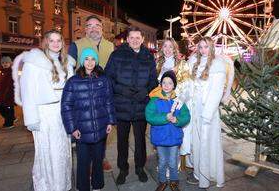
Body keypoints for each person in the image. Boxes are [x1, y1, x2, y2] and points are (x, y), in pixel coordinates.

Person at [13, 30, 75, 191]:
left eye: (58, 40)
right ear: (45, 42)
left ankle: (63, 184)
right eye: (52, 40)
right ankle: (48, 186)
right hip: (45, 114)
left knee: (63, 150)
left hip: (63, 113)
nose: (55, 43)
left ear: (62, 43)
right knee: (48, 152)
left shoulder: (67, 62)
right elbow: (28, 92)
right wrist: (31, 119)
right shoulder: (34, 62)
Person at [104, 26, 158, 184]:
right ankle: (123, 169)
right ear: (127, 39)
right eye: (131, 37)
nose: (134, 40)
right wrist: (121, 90)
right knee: (122, 140)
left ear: (142, 40)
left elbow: (153, 80)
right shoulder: (117, 55)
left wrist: (146, 92)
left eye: (137, 37)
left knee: (141, 139)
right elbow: (109, 78)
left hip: (141, 105)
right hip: (122, 105)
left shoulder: (148, 56)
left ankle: (140, 168)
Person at [61, 48, 116, 191]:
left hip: (100, 127)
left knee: (98, 160)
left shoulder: (104, 79)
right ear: (82, 61)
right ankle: (83, 187)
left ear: (96, 61)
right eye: (86, 59)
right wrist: (72, 128)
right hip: (82, 130)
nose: (90, 62)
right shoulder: (73, 81)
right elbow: (66, 106)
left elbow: (109, 101)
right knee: (83, 161)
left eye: (93, 59)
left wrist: (110, 121)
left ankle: (97, 185)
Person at [68, 14, 114, 171]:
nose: (93, 28)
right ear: (85, 30)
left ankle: (101, 158)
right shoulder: (76, 45)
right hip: (83, 95)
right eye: (89, 26)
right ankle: (86, 163)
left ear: (102, 29)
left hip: (103, 94)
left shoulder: (110, 46)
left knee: (103, 128)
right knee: (85, 129)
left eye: (97, 26)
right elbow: (68, 70)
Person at [186, 37, 227, 188]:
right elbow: (190, 84)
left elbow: (216, 92)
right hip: (195, 108)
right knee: (196, 142)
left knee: (207, 142)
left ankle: (207, 174)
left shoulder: (217, 64)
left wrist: (207, 114)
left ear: (211, 48)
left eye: (206, 47)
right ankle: (198, 172)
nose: (203, 50)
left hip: (207, 112)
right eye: (200, 47)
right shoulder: (195, 63)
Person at [146, 70, 190, 191]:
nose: (166, 85)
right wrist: (165, 117)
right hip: (160, 138)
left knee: (172, 162)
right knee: (162, 162)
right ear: (160, 84)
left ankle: (174, 181)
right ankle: (162, 181)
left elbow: (186, 116)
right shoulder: (154, 100)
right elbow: (149, 116)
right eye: (164, 82)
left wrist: (177, 120)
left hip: (174, 138)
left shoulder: (178, 101)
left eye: (170, 83)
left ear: (174, 85)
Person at [155, 38, 193, 167]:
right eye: (165, 46)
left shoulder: (182, 64)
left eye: (170, 47)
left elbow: (188, 84)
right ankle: (162, 161)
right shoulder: (158, 63)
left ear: (175, 48)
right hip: (161, 103)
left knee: (173, 134)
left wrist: (178, 100)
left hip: (175, 103)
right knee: (161, 131)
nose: (167, 49)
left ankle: (173, 165)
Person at [0, 56, 16, 129]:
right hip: (2, 94)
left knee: (6, 107)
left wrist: (8, 93)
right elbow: (0, 84)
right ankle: (11, 118)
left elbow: (11, 84)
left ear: (10, 63)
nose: (5, 64)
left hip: (9, 94)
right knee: (1, 106)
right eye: (3, 63)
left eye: (7, 62)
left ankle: (9, 123)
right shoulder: (3, 72)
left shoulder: (11, 72)